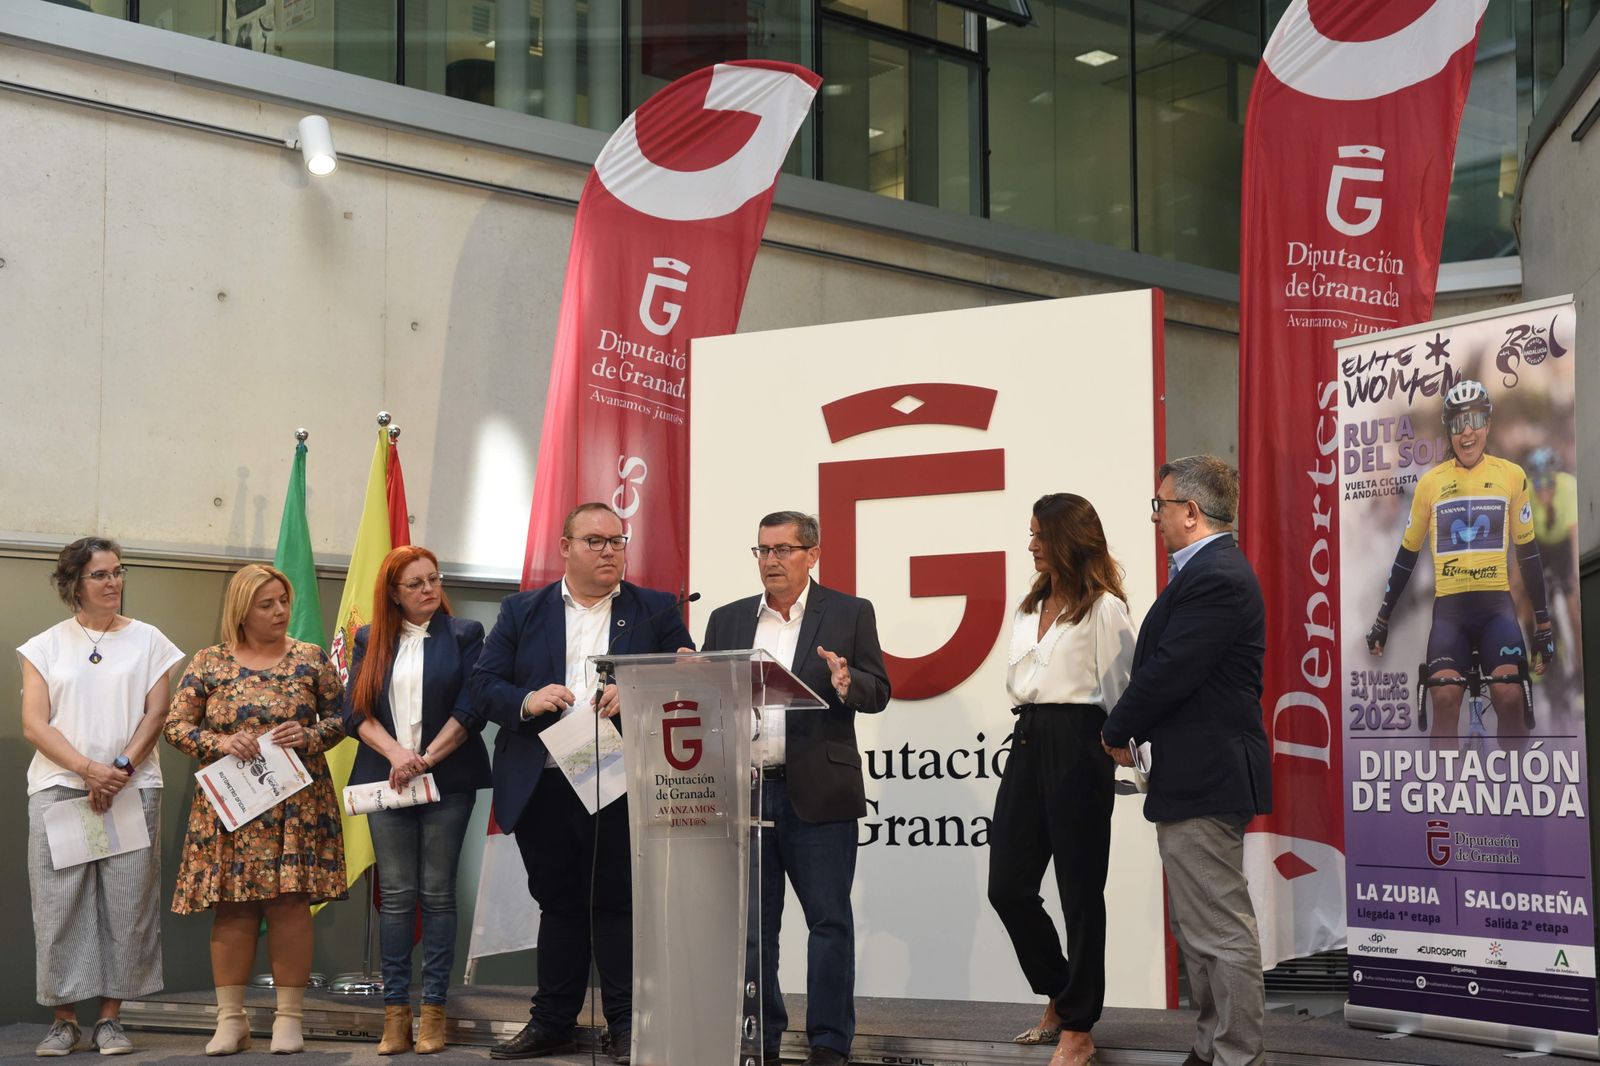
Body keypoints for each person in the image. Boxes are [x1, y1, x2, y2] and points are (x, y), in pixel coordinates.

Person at [472, 503, 694, 1065]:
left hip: (619, 776)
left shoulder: (656, 609)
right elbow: (483, 684)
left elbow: (684, 674)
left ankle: (625, 1026)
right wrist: (528, 699)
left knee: (617, 903)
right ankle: (553, 1022)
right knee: (559, 904)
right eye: (595, 541)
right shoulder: (523, 609)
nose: (608, 551)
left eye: (617, 542)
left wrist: (638, 689)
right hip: (543, 779)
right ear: (565, 545)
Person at [700, 511, 891, 1066]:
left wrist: (846, 681)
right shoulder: (727, 619)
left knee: (828, 921)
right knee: (753, 929)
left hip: (818, 791)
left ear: (813, 554)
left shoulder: (850, 613)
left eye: (783, 550)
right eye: (762, 550)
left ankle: (830, 1042)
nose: (770, 561)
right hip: (747, 791)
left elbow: (879, 690)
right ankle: (760, 1035)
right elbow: (711, 703)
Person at [1101, 456, 1269, 1066]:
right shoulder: (1204, 573)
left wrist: (1116, 728)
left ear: (1191, 513)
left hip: (1209, 772)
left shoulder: (1216, 575)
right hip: (1196, 772)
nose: (1156, 518)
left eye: (1161, 506)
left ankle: (1234, 1055)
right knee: (1199, 931)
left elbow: (1172, 670)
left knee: (1220, 931)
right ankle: (1210, 1046)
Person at [164, 563, 348, 1055]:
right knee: (233, 909)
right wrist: (221, 741)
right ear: (241, 612)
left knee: (290, 906)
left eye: (284, 601)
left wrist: (308, 735)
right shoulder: (209, 662)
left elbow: (341, 719)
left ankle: (289, 1019)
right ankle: (231, 1020)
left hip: (297, 807)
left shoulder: (310, 659)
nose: (280, 611)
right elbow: (176, 726)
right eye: (266, 604)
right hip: (232, 808)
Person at [19, 538, 185, 1057]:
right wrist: (89, 770)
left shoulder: (150, 640)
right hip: (60, 789)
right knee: (59, 906)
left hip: (131, 788)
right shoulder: (43, 645)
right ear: (75, 584)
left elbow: (156, 713)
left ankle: (112, 1018)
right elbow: (33, 723)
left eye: (118, 572)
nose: (113, 582)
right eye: (100, 575)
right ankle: (64, 1020)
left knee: (127, 904)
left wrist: (118, 770)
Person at [987, 495, 1135, 1066]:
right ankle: (1060, 991)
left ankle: (1078, 1027)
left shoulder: (1105, 609)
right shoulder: (1029, 607)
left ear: (1069, 539)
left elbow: (1121, 692)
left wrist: (1120, 759)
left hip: (1082, 741)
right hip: (1026, 739)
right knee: (1008, 886)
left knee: (1079, 890)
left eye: (1040, 537)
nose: (1030, 546)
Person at [343, 546, 491, 1055]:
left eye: (434, 579)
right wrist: (396, 755)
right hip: (389, 781)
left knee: (438, 893)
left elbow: (473, 707)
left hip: (446, 780)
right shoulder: (369, 640)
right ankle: (394, 1015)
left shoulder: (466, 634)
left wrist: (424, 759)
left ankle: (433, 1012)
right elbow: (353, 711)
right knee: (398, 895)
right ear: (393, 593)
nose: (430, 589)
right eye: (416, 584)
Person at [1364, 380, 1554, 749]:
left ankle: (1515, 786)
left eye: (1475, 420)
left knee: (1509, 696)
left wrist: (1543, 624)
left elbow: (1529, 553)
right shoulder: (1431, 483)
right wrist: (1383, 618)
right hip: (1450, 614)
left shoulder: (1511, 476)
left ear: (1488, 424)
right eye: (1457, 424)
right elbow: (1406, 557)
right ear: (1447, 430)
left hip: (1496, 610)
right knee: (1445, 698)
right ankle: (1444, 797)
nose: (1467, 431)